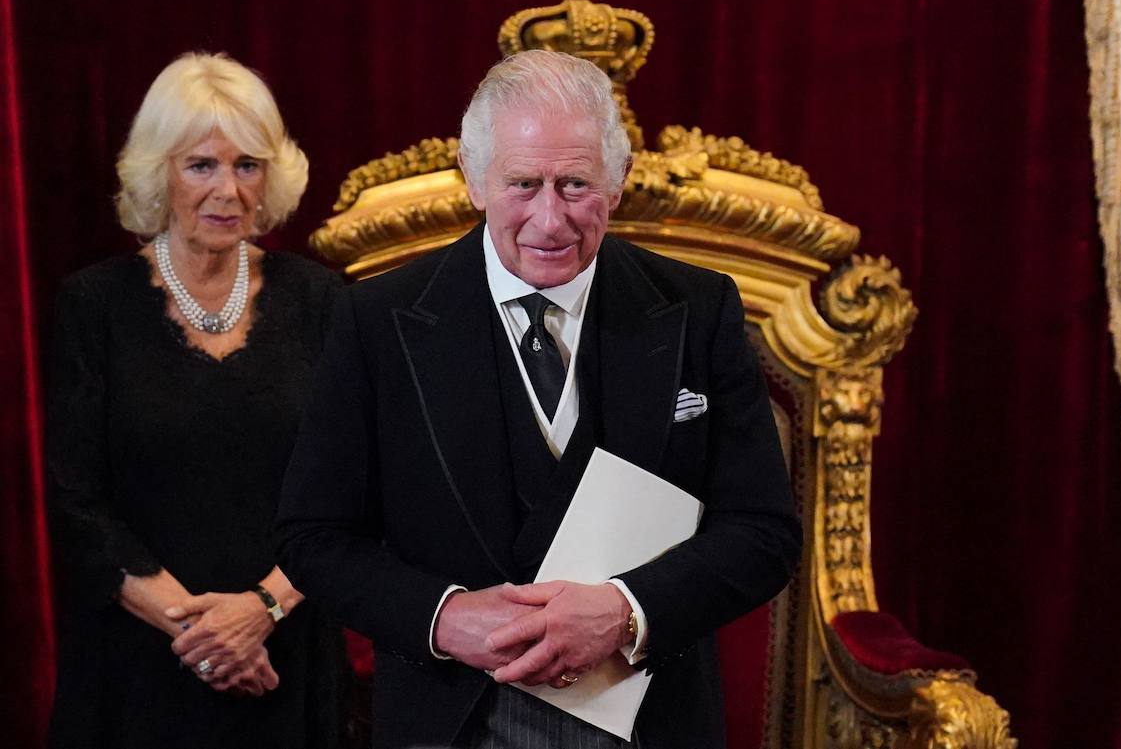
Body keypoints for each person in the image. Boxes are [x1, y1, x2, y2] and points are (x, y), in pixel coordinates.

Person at [275, 49, 801, 749]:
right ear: (473, 179)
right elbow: (312, 537)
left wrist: (625, 611)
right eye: (523, 184)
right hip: (452, 721)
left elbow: (764, 533)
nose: (550, 221)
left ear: (619, 179)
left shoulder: (699, 309)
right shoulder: (376, 321)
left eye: (575, 184)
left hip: (651, 721)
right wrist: (444, 617)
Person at [45, 52, 348, 748]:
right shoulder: (94, 305)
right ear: (161, 172)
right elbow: (75, 502)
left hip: (287, 654)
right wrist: (206, 636)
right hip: (139, 663)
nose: (228, 191)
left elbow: (352, 490)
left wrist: (262, 610)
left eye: (248, 165)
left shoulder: (320, 300)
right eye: (201, 165)